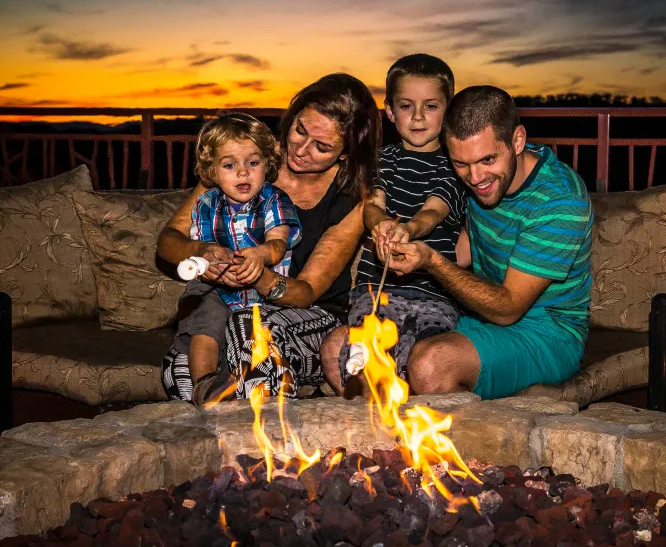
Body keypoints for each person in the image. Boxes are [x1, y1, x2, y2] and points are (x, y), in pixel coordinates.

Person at [157, 73, 380, 400]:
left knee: (250, 329)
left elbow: (305, 292)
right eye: (300, 130)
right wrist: (203, 251)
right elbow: (168, 242)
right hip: (225, 305)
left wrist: (257, 275)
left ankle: (272, 441)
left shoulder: (350, 198)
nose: (301, 150)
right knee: (180, 376)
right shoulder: (245, 157)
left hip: (309, 318)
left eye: (322, 147)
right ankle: (226, 438)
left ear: (345, 153)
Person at [386, 85, 593, 399]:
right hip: (478, 316)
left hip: (548, 332)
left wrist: (431, 261)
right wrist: (405, 249)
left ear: (518, 140)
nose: (475, 177)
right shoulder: (482, 174)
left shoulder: (560, 201)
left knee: (432, 365)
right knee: (359, 350)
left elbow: (507, 308)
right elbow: (470, 242)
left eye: (487, 160)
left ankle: (458, 448)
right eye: (461, 164)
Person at [320, 54, 465, 392]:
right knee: (364, 343)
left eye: (430, 106)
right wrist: (381, 223)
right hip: (378, 289)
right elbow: (373, 203)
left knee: (426, 352)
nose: (417, 117)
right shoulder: (383, 158)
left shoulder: (455, 163)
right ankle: (370, 407)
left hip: (435, 294)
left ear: (448, 111)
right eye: (406, 106)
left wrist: (410, 229)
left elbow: (435, 209)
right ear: (389, 111)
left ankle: (410, 416)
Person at [164, 114, 301, 404]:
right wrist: (208, 262)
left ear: (267, 164)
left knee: (254, 332)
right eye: (229, 165)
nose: (243, 173)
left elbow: (279, 242)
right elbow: (199, 246)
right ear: (211, 171)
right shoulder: (205, 203)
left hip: (264, 294)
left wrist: (262, 254)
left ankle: (258, 387)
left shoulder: (274, 200)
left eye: (253, 163)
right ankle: (205, 385)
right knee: (206, 322)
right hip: (216, 287)